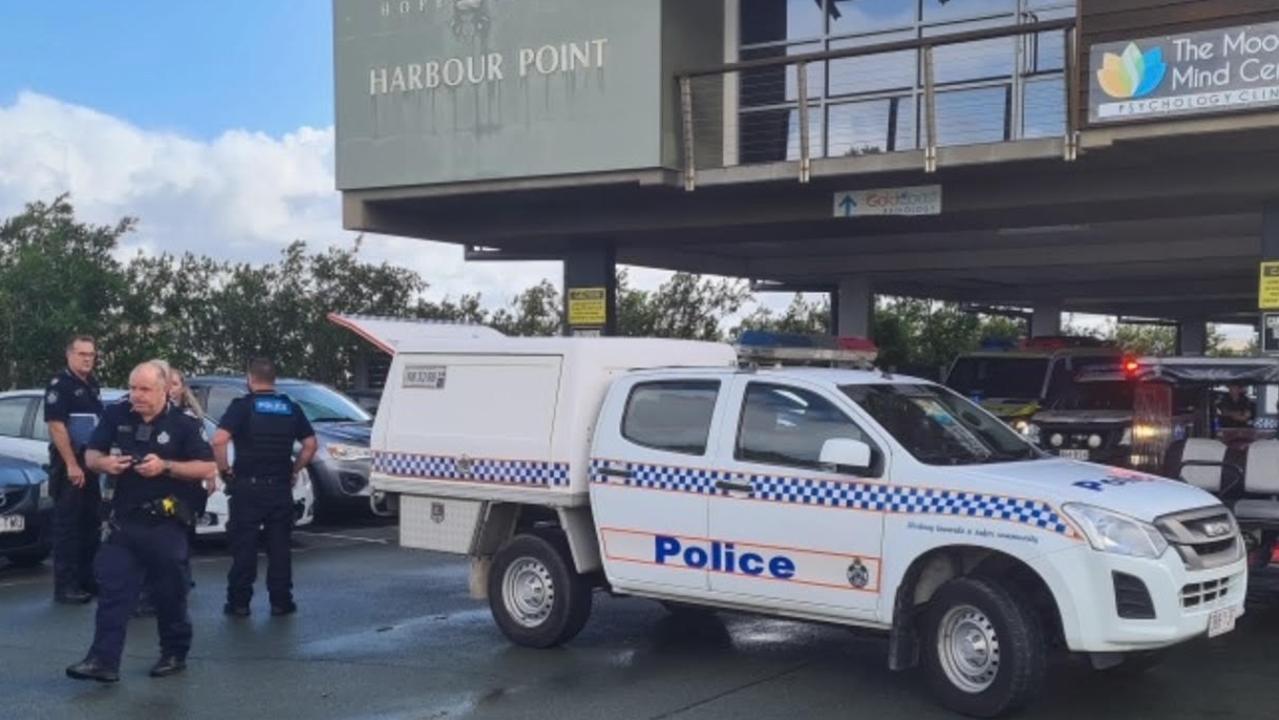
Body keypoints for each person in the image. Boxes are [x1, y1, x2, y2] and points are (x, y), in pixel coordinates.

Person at [65, 361, 216, 683]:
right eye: (133, 388)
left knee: (169, 593)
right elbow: (91, 455)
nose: (136, 395)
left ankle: (174, 652)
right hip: (126, 521)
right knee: (112, 589)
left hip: (165, 523)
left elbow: (207, 468)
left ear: (164, 390)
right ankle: (103, 661)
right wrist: (106, 463)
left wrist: (167, 466)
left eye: (144, 389)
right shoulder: (116, 415)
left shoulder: (184, 425)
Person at [214, 357, 317, 618]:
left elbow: (219, 440)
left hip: (247, 488)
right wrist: (295, 470)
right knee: (279, 548)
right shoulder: (290, 407)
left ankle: (239, 603)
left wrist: (225, 471)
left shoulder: (242, 406)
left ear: (250, 379)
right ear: (274, 380)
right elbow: (310, 445)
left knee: (244, 547)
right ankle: (281, 602)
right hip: (280, 488)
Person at [45, 335, 105, 605]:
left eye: (91, 354)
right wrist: (71, 464)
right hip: (70, 464)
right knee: (68, 527)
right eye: (82, 354)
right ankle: (66, 586)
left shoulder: (91, 384)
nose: (87, 359)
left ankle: (86, 579)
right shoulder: (61, 385)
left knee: (90, 523)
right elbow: (57, 426)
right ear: (69, 355)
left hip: (90, 462)